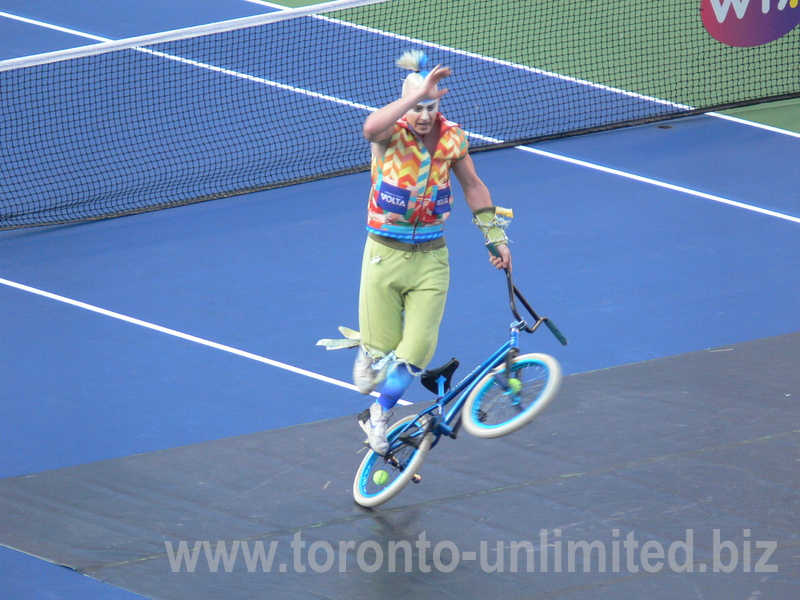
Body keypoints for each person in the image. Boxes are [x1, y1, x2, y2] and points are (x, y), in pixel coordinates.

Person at [355, 50, 513, 455]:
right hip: (383, 256)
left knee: (414, 354)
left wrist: (494, 237)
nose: (424, 114)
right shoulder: (391, 135)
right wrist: (413, 95)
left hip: (431, 260)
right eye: (418, 105)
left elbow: (474, 187)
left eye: (431, 105)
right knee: (380, 353)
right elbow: (371, 126)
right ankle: (370, 350)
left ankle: (379, 415)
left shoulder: (452, 138)